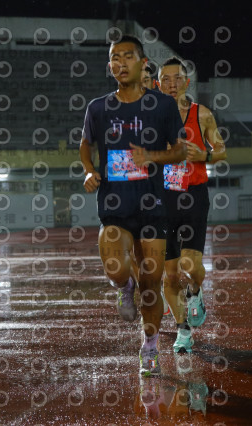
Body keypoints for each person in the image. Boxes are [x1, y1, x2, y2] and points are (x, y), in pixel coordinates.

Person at [80, 35, 187, 376]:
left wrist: (151, 156)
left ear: (143, 63)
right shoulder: (98, 108)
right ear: (110, 65)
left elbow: (180, 150)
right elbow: (85, 144)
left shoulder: (163, 106)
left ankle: (150, 346)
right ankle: (125, 288)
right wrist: (89, 170)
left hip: (153, 205)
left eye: (128, 56)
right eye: (115, 57)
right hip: (115, 203)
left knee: (151, 283)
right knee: (115, 266)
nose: (121, 62)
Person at [156, 56, 227, 354]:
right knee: (170, 274)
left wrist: (204, 156)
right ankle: (183, 330)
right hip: (161, 199)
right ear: (158, 84)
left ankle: (195, 291)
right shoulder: (150, 117)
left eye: (177, 78)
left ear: (187, 82)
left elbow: (221, 150)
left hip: (194, 196)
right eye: (166, 79)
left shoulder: (203, 115)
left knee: (190, 265)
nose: (172, 84)